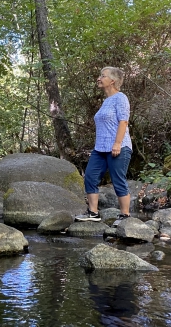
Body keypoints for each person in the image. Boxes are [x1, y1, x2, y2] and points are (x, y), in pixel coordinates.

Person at [75, 67, 132, 227]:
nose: (98, 78)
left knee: (118, 180)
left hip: (118, 147)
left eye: (102, 76)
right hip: (100, 149)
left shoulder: (121, 98)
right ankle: (93, 213)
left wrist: (117, 143)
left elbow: (123, 121)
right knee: (90, 177)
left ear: (112, 81)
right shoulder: (106, 101)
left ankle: (125, 216)